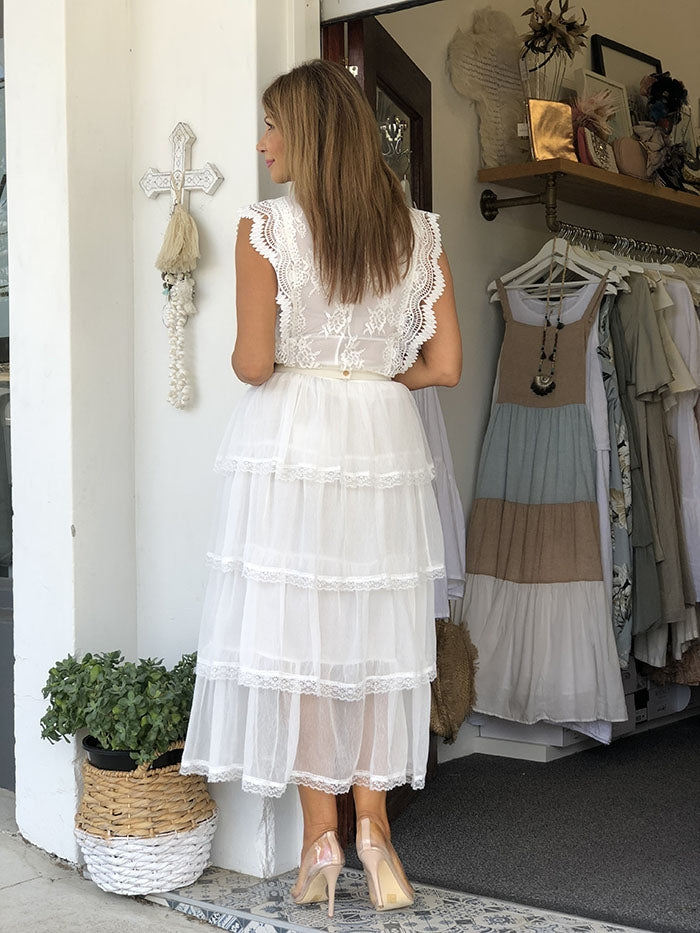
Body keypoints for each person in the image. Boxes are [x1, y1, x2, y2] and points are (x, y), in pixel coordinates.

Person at [181, 59, 461, 917]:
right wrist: (374, 381)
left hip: (296, 439)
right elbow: (443, 365)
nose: (261, 142)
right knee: (379, 639)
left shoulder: (266, 229)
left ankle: (319, 841)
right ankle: (378, 836)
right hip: (383, 442)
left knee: (303, 640)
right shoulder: (419, 234)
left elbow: (255, 362)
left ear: (307, 132)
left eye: (272, 125)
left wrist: (292, 364)